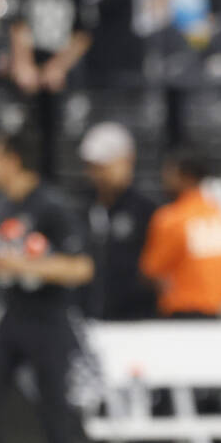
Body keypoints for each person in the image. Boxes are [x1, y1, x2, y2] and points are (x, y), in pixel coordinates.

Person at [0, 130, 96, 443]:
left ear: (13, 158)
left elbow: (80, 267)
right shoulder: (3, 207)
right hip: (12, 317)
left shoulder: (50, 205)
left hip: (50, 319)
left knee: (56, 414)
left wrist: (21, 266)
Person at [139, 148, 221, 319]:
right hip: (220, 312)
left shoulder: (171, 218)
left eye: (170, 173)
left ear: (186, 177)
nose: (165, 179)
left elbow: (150, 271)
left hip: (181, 313)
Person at [78, 122, 157, 320]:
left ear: (128, 160)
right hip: (88, 319)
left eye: (105, 166)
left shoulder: (147, 211)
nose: (98, 174)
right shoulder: (81, 208)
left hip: (137, 322)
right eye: (92, 167)